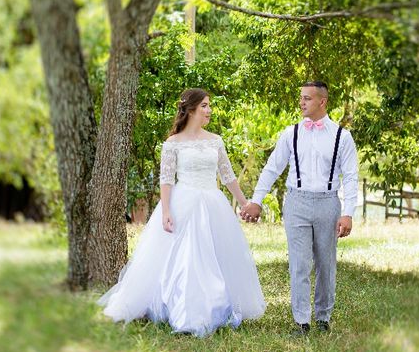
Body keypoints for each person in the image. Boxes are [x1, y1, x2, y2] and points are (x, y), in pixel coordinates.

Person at [98, 88, 266, 337]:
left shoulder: (215, 140)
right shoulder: (173, 143)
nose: (209, 111)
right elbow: (166, 180)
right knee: (185, 258)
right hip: (183, 201)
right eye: (205, 106)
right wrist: (166, 210)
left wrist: (243, 203)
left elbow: (227, 175)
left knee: (215, 255)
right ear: (190, 110)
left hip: (212, 203)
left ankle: (216, 305)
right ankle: (182, 309)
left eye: (210, 106)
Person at [240, 81, 358, 336]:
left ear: (322, 102)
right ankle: (301, 321)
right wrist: (257, 200)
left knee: (326, 264)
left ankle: (323, 317)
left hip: (328, 202)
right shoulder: (290, 133)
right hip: (296, 202)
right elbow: (272, 168)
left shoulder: (342, 136)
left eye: (307, 98)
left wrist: (348, 213)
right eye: (301, 97)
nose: (301, 102)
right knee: (299, 263)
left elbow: (350, 177)